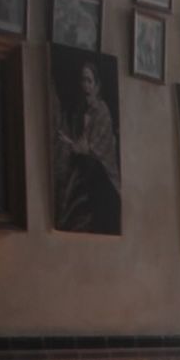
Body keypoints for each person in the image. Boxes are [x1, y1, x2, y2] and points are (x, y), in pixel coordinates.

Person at [53, 58, 121, 234]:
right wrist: (70, 143)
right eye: (83, 80)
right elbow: (80, 142)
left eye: (89, 81)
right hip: (85, 166)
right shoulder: (80, 112)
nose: (86, 86)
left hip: (102, 175)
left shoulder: (102, 111)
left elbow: (96, 146)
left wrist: (77, 146)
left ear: (97, 85)